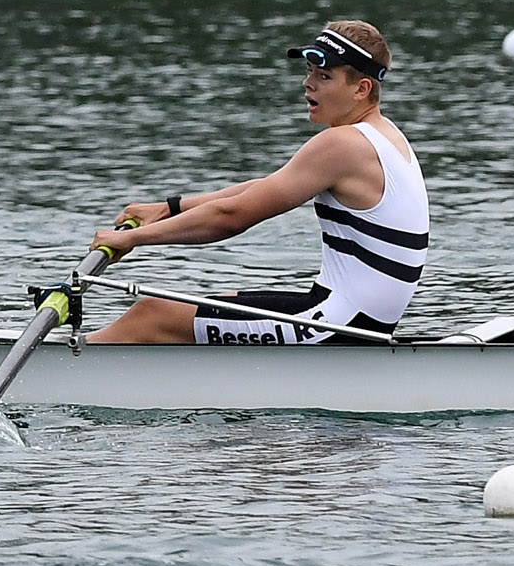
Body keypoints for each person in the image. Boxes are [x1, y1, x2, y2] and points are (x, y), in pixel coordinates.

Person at [85, 21, 429, 345]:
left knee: (152, 314)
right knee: (213, 303)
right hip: (352, 315)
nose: (308, 84)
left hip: (342, 323)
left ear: (362, 89)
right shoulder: (384, 136)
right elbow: (263, 187)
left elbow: (232, 217)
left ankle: (63, 368)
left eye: (324, 76)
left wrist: (131, 238)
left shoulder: (343, 144)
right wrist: (167, 209)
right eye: (309, 72)